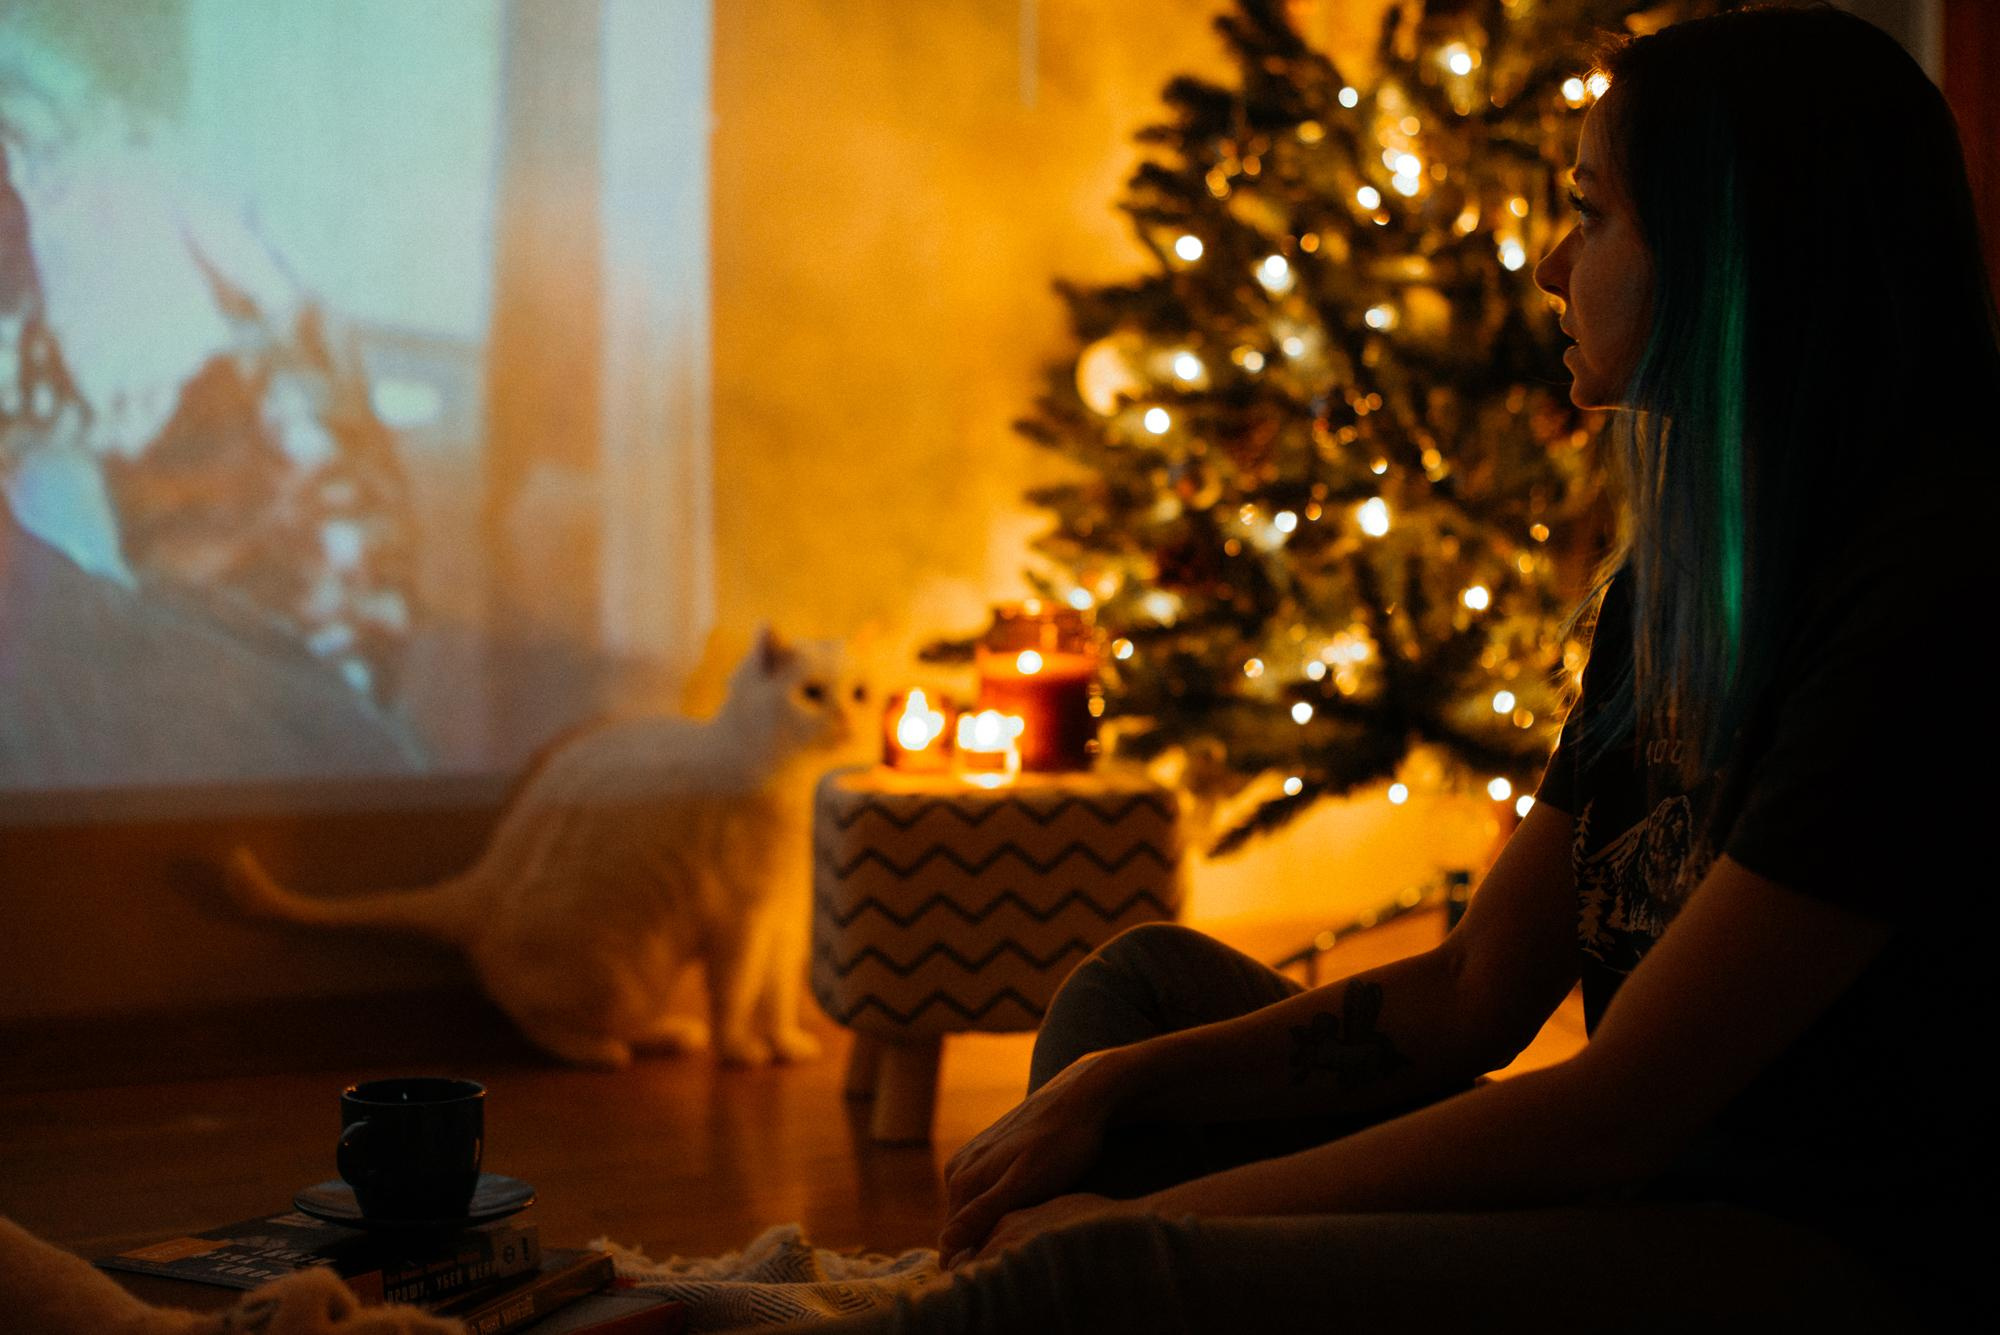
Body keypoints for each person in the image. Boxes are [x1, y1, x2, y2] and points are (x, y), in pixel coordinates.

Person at [767, 5, 1996, 1330]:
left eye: (1590, 215)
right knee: (1134, 1007)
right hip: (1637, 1184)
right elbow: (1478, 990)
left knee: (1101, 1275)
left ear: (1738, 256)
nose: (1543, 263)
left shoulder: (1929, 591)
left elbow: (1615, 1115)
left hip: (1808, 1256)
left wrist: (1141, 1227)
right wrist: (1121, 1092)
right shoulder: (1687, 572)